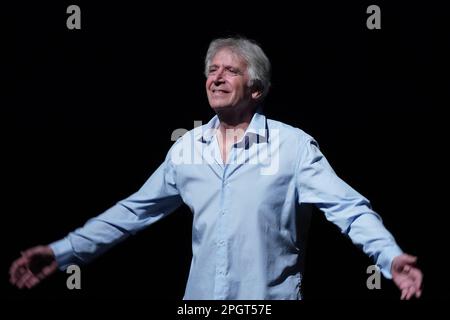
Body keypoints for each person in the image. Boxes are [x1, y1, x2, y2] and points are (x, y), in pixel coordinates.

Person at [9, 37, 423, 300]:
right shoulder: (188, 147)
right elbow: (133, 213)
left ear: (256, 88)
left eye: (231, 70)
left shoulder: (292, 146)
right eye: (212, 69)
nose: (217, 77)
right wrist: (63, 252)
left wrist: (388, 257)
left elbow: (348, 209)